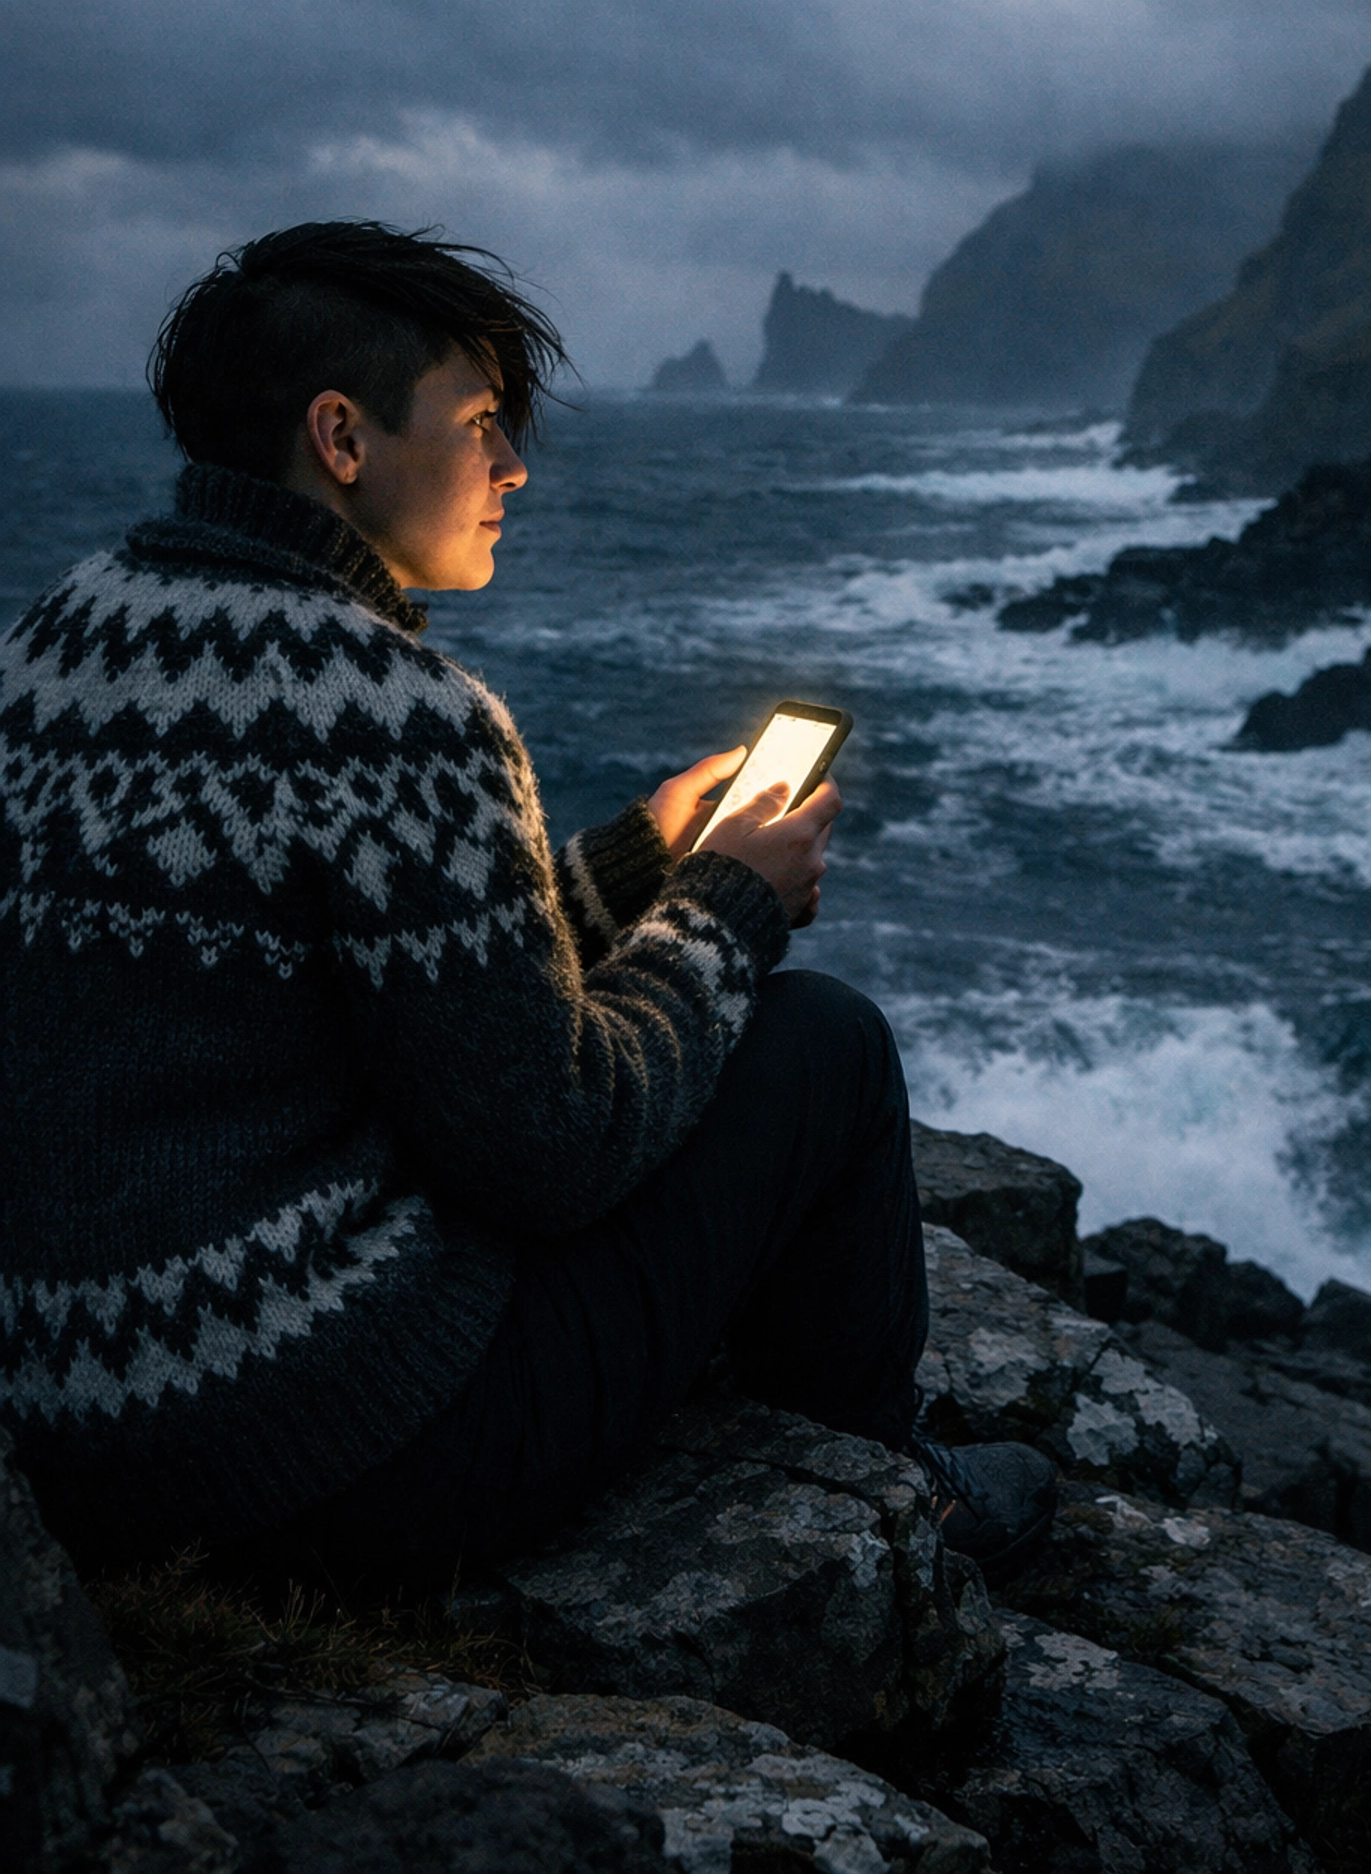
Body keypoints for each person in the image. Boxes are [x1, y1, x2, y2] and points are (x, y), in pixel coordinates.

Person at [0, 221, 1053, 1587]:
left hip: (76, 1432)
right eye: (483, 423)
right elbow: (549, 1143)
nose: (512, 468)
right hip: (335, 1458)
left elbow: (371, 977)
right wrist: (730, 899)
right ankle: (889, 1497)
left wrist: (633, 865)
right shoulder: (396, 715)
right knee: (823, 1045)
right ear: (342, 436)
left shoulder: (57, 639)